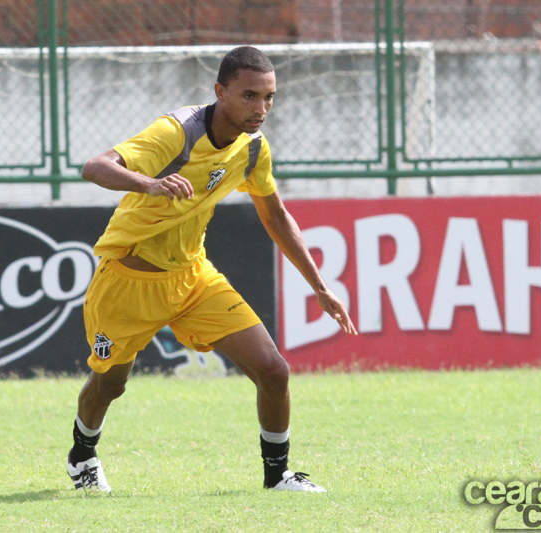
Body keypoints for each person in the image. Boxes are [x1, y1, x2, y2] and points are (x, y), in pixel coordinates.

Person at [67, 45, 357, 493]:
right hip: (129, 281)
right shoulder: (175, 133)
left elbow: (276, 216)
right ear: (220, 91)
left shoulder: (253, 148)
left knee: (274, 370)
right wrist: (151, 183)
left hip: (193, 278)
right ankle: (82, 456)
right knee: (110, 386)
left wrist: (319, 286)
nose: (260, 109)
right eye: (248, 96)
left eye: (269, 97)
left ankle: (277, 475)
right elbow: (94, 167)